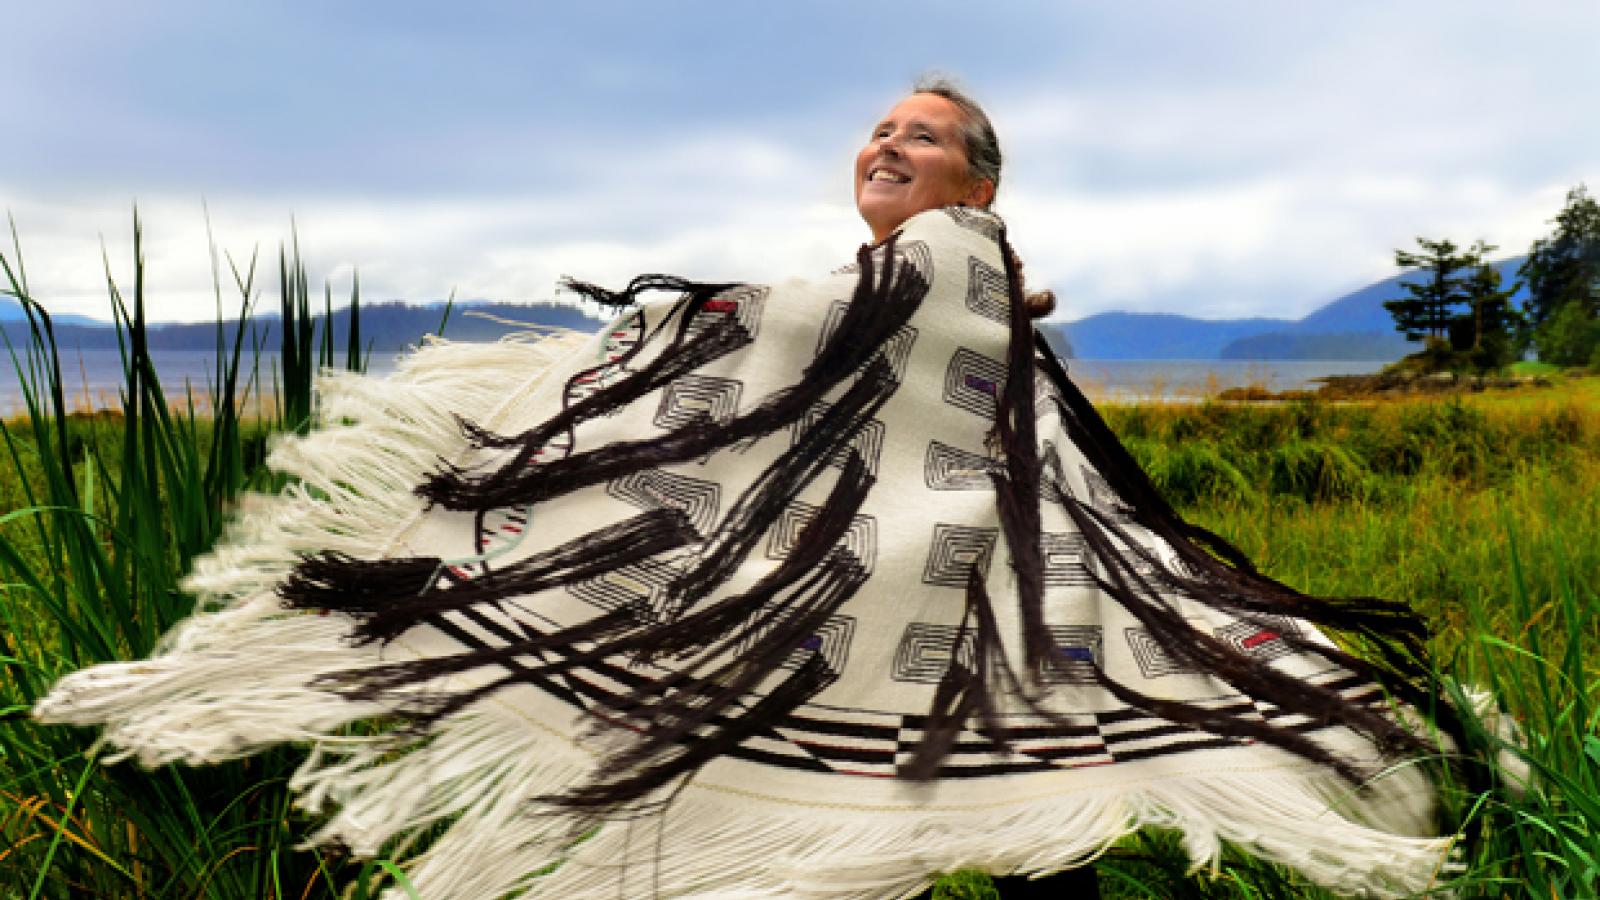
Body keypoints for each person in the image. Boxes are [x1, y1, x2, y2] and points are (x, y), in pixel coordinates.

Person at [39, 80, 1464, 899]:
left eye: (918, 134)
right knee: (1020, 778)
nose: (884, 145)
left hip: (968, 566)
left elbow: (810, 338)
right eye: (875, 131)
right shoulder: (952, 268)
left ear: (973, 172)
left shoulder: (953, 249)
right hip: (979, 576)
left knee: (991, 767)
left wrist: (673, 330)